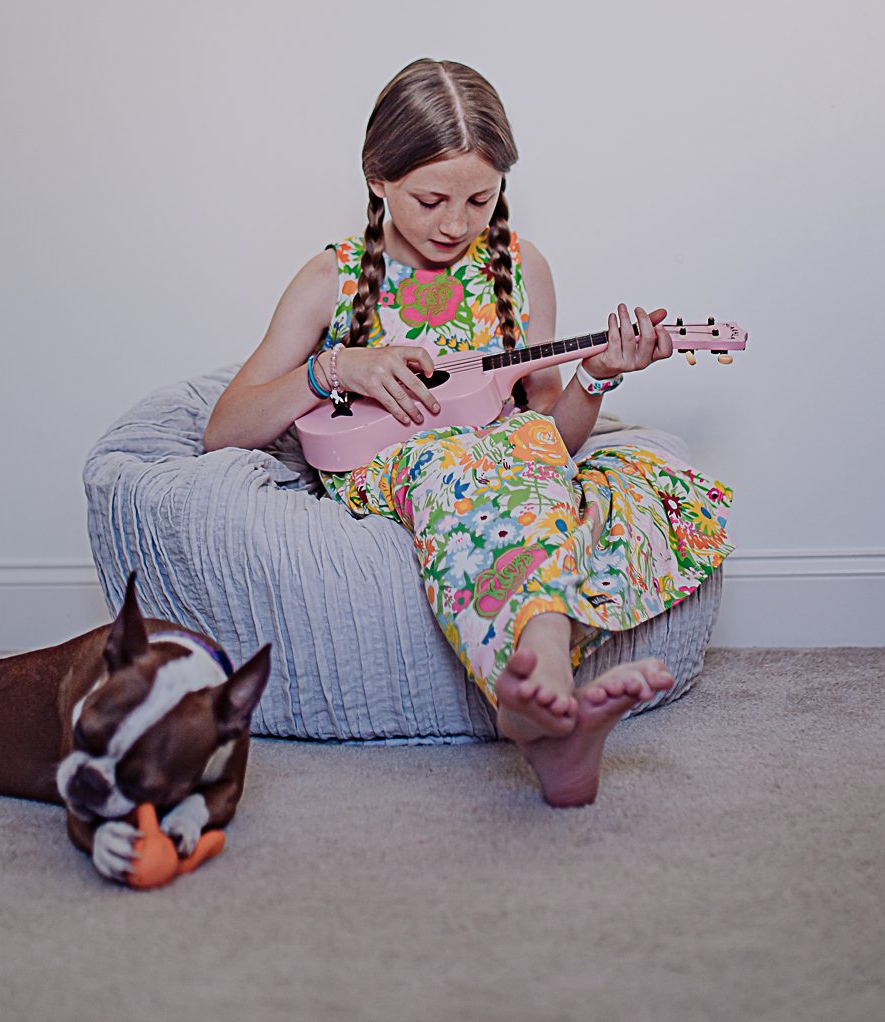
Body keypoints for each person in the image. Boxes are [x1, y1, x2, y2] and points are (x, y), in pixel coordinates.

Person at [205, 58, 733, 807]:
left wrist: (596, 377)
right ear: (378, 180)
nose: (455, 224)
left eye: (480, 200)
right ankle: (547, 691)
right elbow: (224, 429)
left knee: (607, 476)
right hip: (404, 467)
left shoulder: (519, 270)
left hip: (512, 458)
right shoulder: (334, 279)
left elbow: (554, 439)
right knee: (471, 463)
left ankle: (542, 703)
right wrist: (334, 369)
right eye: (430, 200)